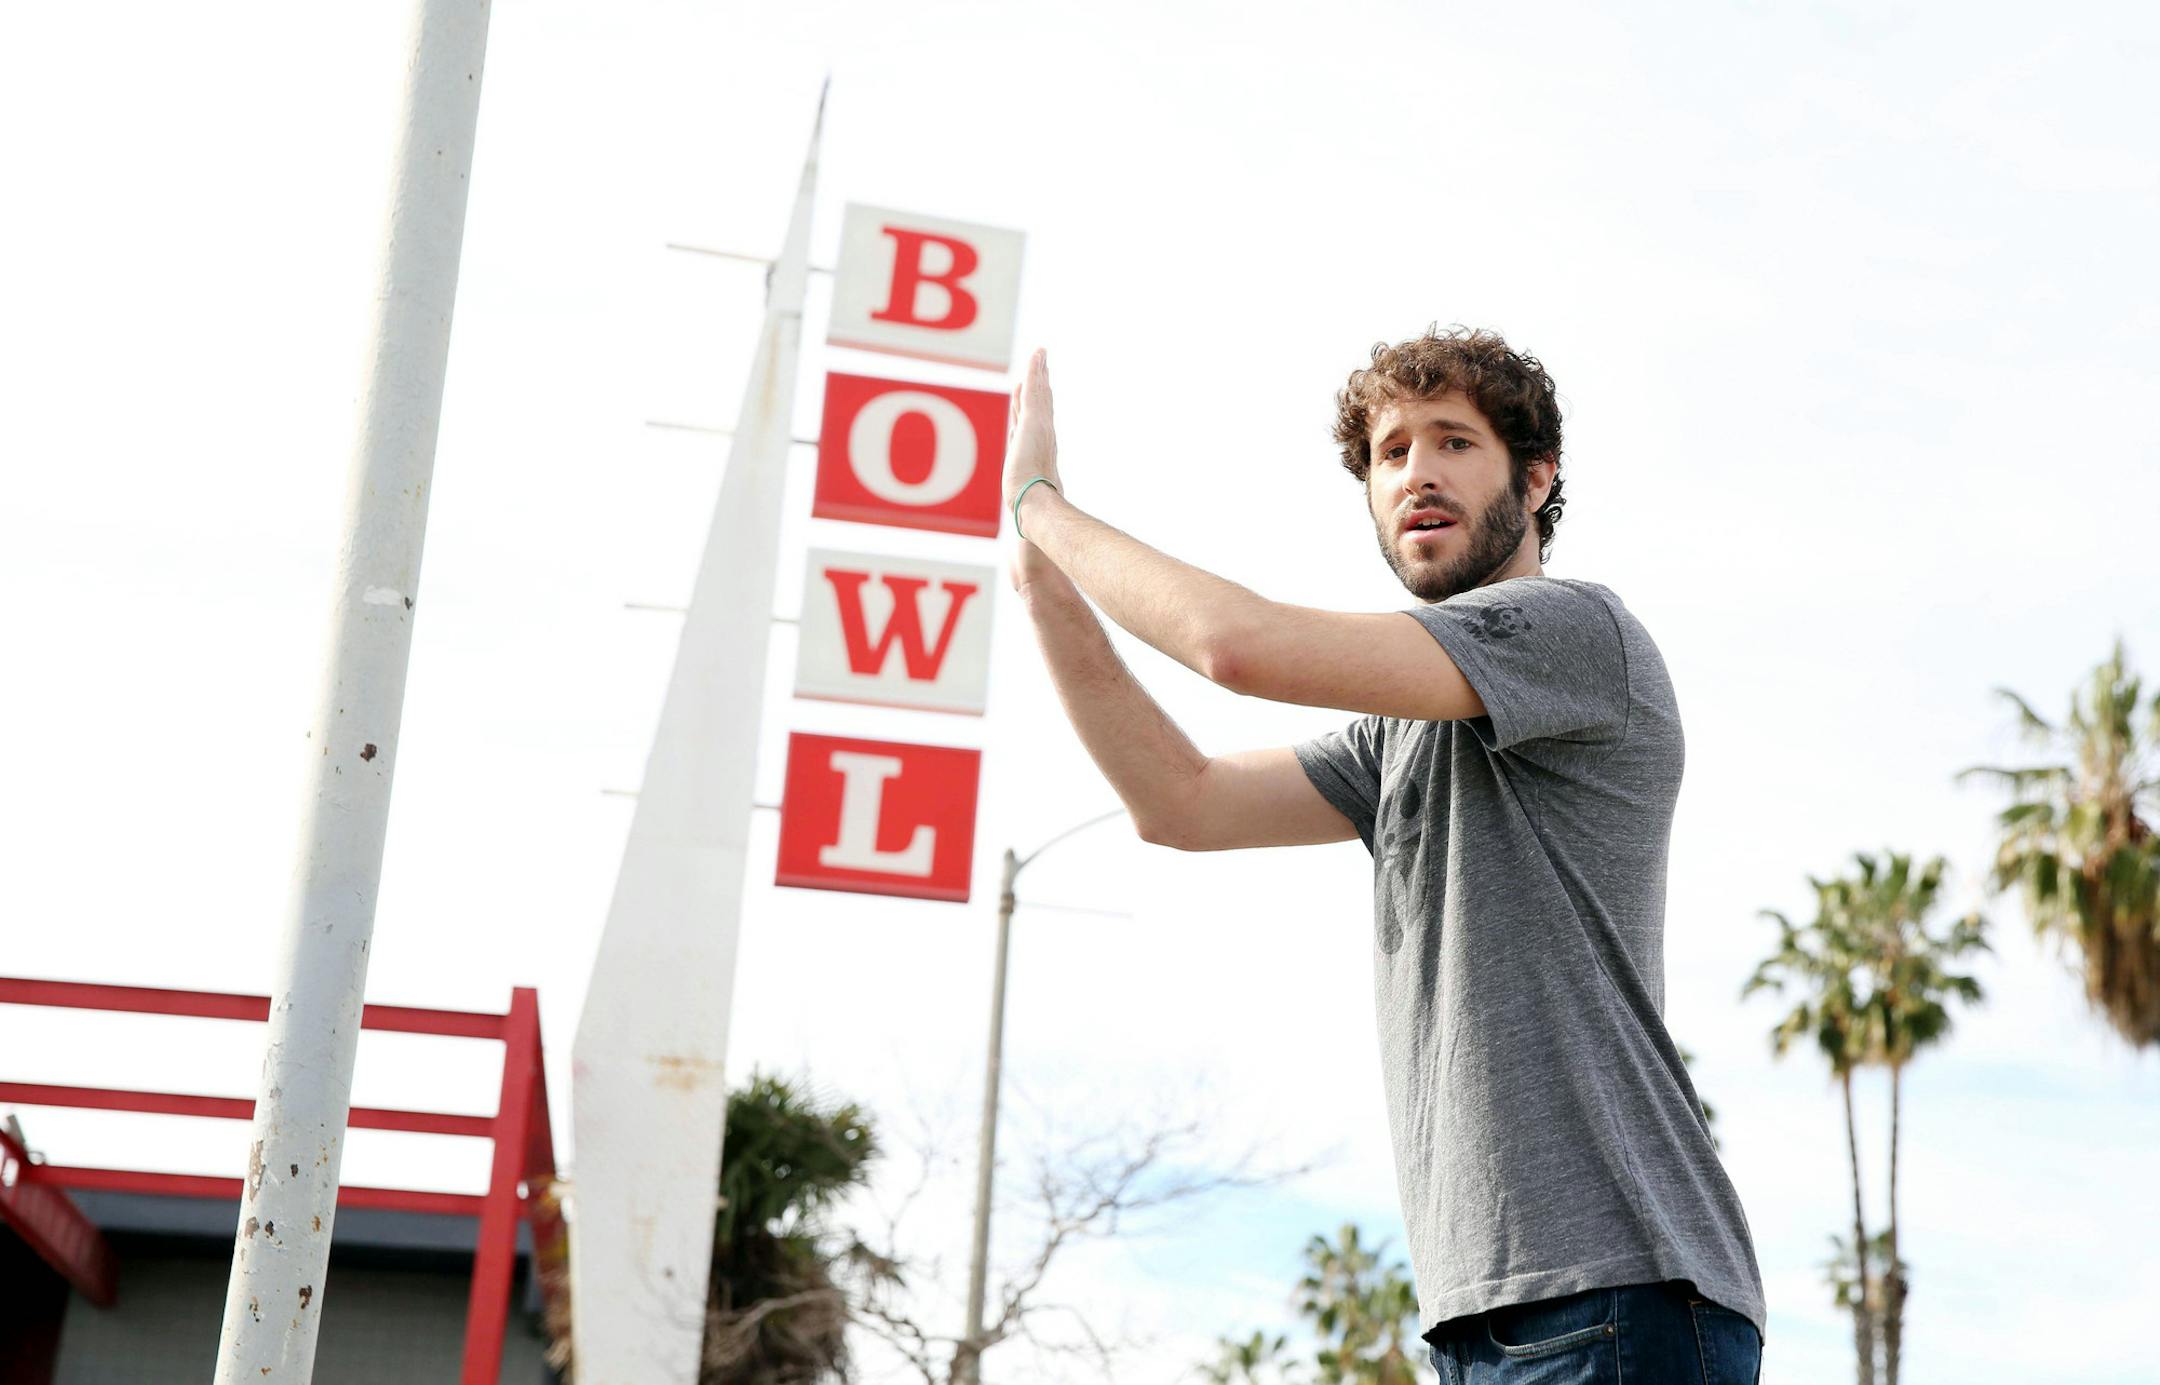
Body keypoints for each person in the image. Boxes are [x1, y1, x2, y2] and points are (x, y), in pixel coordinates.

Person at [1002, 326, 1766, 1385]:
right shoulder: (1398, 729)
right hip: (1493, 1314)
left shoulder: (1573, 630)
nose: (1417, 473)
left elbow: (1239, 647)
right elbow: (1181, 800)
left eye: (1454, 441)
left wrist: (1042, 504)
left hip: (1610, 1295)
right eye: (1391, 451)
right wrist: (1045, 586)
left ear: (1537, 479)